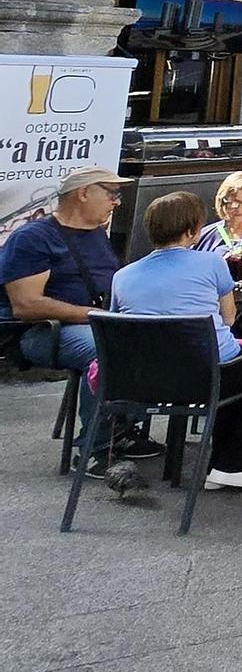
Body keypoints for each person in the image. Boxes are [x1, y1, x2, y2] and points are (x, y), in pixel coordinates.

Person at [110, 192, 242, 491]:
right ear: (193, 230)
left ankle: (227, 464)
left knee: (241, 370)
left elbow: (122, 327)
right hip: (206, 375)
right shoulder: (212, 263)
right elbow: (230, 318)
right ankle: (233, 466)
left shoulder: (122, 276)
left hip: (140, 381)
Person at [0, 166, 161, 475]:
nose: (117, 202)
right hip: (42, 332)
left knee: (161, 337)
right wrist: (95, 315)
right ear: (83, 193)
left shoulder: (96, 235)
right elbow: (26, 305)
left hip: (98, 322)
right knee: (108, 348)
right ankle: (96, 448)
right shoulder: (33, 238)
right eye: (111, 194)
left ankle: (123, 429)